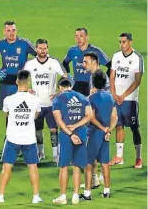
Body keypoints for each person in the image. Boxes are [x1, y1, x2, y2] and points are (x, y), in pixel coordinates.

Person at [0, 70, 43, 204]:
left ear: (16, 82)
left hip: (13, 138)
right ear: (28, 82)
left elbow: (6, 115)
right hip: (29, 138)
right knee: (32, 167)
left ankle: (0, 195)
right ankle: (36, 196)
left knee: (6, 167)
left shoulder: (8, 100)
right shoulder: (36, 100)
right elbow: (36, 116)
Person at [24, 38, 67, 162]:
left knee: (53, 129)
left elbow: (65, 76)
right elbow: (22, 78)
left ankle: (55, 154)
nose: (42, 51)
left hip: (51, 104)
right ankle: (40, 152)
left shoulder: (53, 62)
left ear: (47, 49)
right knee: (37, 130)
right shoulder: (30, 64)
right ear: (36, 49)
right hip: (36, 104)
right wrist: (27, 89)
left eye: (44, 48)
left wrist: (60, 92)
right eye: (40, 48)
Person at [51, 77, 92, 205]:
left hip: (66, 135)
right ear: (71, 86)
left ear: (60, 87)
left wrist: (70, 132)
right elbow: (89, 116)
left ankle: (63, 197)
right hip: (81, 133)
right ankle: (75, 195)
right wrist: (76, 127)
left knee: (64, 166)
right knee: (77, 166)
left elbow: (59, 121)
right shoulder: (83, 97)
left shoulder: (58, 99)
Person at [80, 70, 118, 201]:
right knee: (105, 163)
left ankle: (87, 194)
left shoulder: (91, 98)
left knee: (89, 163)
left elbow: (91, 117)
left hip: (94, 134)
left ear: (93, 83)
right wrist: (109, 130)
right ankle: (107, 191)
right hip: (105, 135)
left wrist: (102, 128)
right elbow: (114, 117)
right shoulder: (110, 97)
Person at [109, 33, 144, 168]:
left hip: (129, 99)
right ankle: (119, 157)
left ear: (130, 42)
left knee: (134, 128)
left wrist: (123, 95)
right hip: (116, 98)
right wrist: (113, 93)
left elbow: (137, 80)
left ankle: (138, 158)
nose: (121, 45)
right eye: (120, 42)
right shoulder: (116, 56)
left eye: (124, 42)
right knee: (119, 125)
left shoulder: (137, 58)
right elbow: (112, 76)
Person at [0, 21, 36, 112]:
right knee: (7, 111)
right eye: (8, 30)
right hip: (6, 80)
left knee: (22, 109)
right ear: (4, 32)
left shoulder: (24, 43)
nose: (11, 33)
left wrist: (30, 64)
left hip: (21, 80)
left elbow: (39, 55)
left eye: (13, 30)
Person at [62, 27, 111, 96]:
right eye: (76, 36)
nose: (78, 39)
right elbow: (65, 63)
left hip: (91, 85)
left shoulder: (96, 51)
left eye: (81, 36)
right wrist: (68, 77)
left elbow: (111, 66)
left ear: (87, 37)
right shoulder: (72, 50)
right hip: (77, 85)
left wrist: (103, 80)